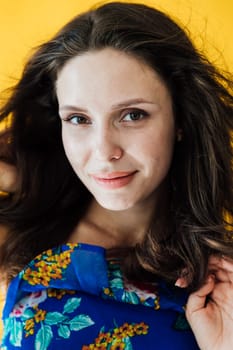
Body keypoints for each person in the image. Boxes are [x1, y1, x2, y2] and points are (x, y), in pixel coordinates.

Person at [0, 2, 233, 349]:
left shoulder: (221, 281)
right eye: (79, 119)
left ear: (181, 118)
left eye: (133, 115)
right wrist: (24, 182)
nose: (104, 151)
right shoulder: (14, 239)